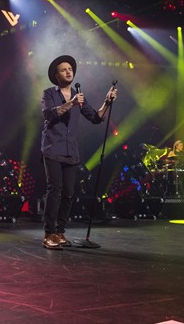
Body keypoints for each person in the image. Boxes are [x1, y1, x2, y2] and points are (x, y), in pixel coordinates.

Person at [40, 55, 117, 249]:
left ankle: (59, 231)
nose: (68, 71)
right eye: (63, 69)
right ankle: (49, 234)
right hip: (52, 147)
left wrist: (107, 102)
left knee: (68, 193)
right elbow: (49, 114)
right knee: (54, 190)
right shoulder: (49, 93)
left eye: (70, 69)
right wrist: (72, 103)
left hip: (71, 151)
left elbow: (96, 118)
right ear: (56, 75)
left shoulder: (78, 96)